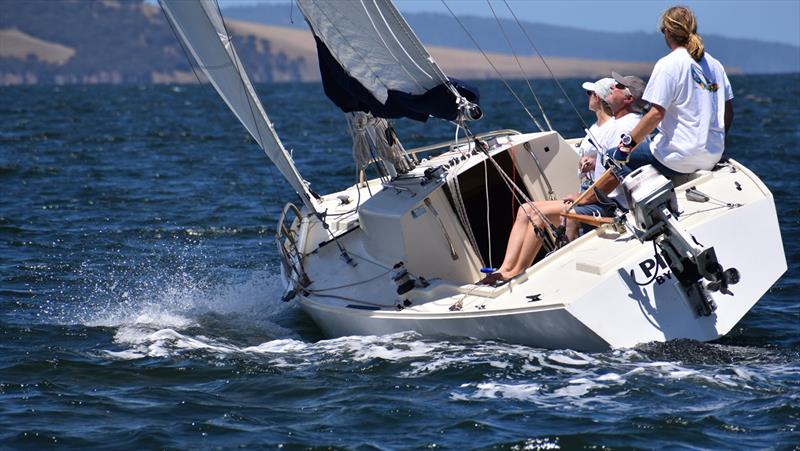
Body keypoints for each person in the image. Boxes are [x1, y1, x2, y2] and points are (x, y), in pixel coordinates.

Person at [478, 78, 615, 285]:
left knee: (539, 214)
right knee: (525, 209)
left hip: (595, 198)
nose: (588, 97)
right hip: (585, 191)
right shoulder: (595, 128)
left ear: (598, 97)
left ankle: (518, 271)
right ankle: (505, 269)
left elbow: (610, 168)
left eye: (590, 94)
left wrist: (593, 167)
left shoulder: (611, 129)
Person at [608, 6, 734, 176]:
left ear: (667, 31)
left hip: (678, 157)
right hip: (712, 155)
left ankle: (629, 203)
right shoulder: (715, 65)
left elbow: (655, 115)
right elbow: (728, 112)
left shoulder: (669, 64)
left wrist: (626, 147)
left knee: (610, 156)